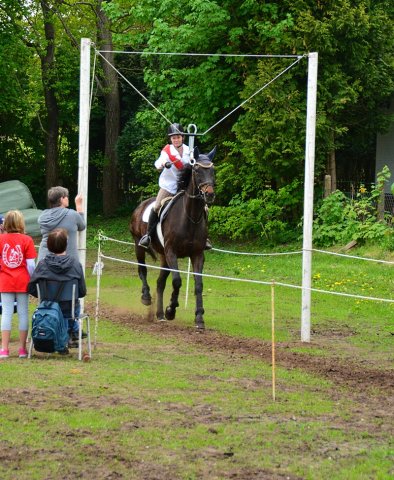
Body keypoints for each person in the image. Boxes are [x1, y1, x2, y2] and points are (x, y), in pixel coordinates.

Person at [28, 228, 87, 344]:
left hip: (47, 308)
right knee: (72, 305)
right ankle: (72, 331)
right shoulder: (75, 264)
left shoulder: (42, 265)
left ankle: (69, 333)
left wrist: (43, 297)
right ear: (66, 244)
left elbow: (31, 287)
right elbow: (82, 291)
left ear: (48, 246)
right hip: (69, 309)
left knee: (65, 306)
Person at [139, 123, 193, 248]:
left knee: (202, 205)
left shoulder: (189, 150)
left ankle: (204, 237)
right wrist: (163, 164)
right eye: (173, 138)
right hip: (169, 186)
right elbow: (158, 162)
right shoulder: (167, 151)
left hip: (185, 186)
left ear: (182, 137)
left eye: (178, 137)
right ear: (170, 139)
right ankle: (148, 235)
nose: (176, 139)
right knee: (157, 206)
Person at [0, 210, 37, 359]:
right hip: (23, 281)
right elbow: (31, 265)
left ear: (5, 223)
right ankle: (22, 349)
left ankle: (4, 349)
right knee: (23, 313)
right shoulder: (27, 240)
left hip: (5, 280)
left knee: (6, 313)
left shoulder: (1, 239)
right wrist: (33, 278)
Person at [38, 186, 85, 262]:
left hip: (45, 260)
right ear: (61, 199)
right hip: (67, 261)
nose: (67, 198)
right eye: (66, 196)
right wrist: (79, 206)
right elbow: (82, 226)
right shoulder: (72, 214)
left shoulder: (43, 216)